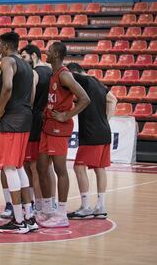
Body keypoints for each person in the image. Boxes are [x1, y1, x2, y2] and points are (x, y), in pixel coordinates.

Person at [0, 32, 35, 233]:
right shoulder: (27, 65)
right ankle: (29, 217)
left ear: (4, 46)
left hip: (12, 119)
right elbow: (31, 94)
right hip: (25, 117)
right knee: (19, 167)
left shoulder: (7, 61)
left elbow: (8, 87)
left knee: (10, 168)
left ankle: (18, 221)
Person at [37, 42, 90, 228]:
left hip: (59, 129)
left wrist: (67, 115)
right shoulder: (53, 73)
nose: (46, 52)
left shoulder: (65, 75)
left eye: (49, 50)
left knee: (60, 170)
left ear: (57, 53)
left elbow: (85, 98)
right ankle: (46, 209)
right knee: (42, 168)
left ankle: (61, 213)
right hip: (47, 126)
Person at [66, 62, 117, 219]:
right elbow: (113, 100)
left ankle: (86, 206)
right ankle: (101, 206)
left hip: (91, 133)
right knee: (100, 168)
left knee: (79, 167)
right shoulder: (96, 81)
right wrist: (105, 120)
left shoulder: (81, 79)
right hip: (104, 131)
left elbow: (65, 76)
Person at [20, 44, 53, 215]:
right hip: (48, 122)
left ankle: (38, 205)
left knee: (33, 166)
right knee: (47, 167)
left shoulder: (34, 73)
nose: (23, 60)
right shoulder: (51, 71)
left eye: (24, 57)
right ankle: (50, 203)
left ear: (33, 56)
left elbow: (31, 99)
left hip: (34, 121)